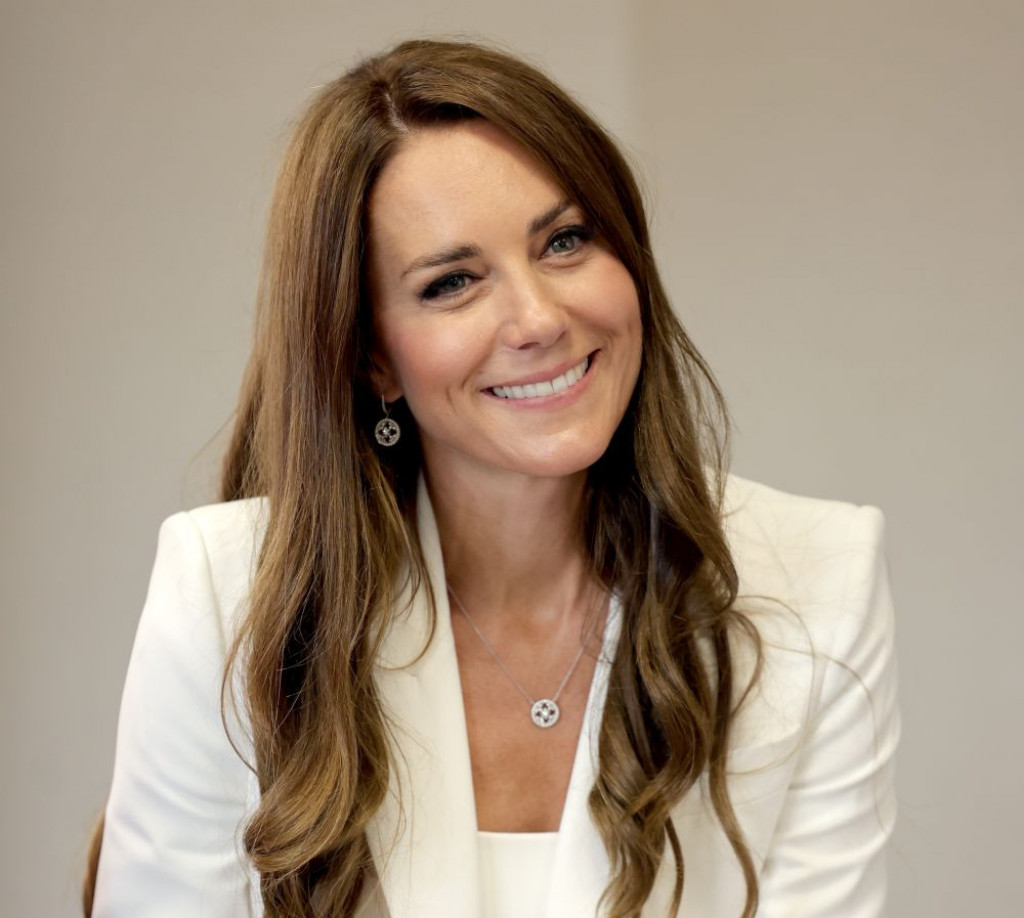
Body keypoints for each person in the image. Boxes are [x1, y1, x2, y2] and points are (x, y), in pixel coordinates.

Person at [86, 38, 899, 918]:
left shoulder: (821, 581)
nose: (539, 318)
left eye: (565, 241)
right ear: (370, 357)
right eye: (452, 283)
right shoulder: (226, 594)